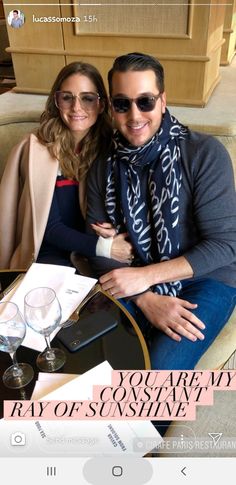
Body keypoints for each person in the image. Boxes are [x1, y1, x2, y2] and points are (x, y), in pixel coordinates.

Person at [86, 52, 236, 370]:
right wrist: (145, 297)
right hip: (133, 279)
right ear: (111, 106)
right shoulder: (102, 167)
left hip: (207, 278)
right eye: (122, 103)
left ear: (163, 101)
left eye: (145, 101)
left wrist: (145, 277)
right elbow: (98, 250)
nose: (134, 115)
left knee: (158, 375)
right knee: (90, 359)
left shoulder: (204, 154)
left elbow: (226, 245)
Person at [0, 61, 133, 270]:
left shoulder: (113, 147)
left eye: (87, 98)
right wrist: (105, 248)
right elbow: (50, 228)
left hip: (96, 252)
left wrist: (113, 226)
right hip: (49, 251)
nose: (76, 108)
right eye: (67, 98)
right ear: (56, 101)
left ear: (101, 105)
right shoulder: (37, 150)